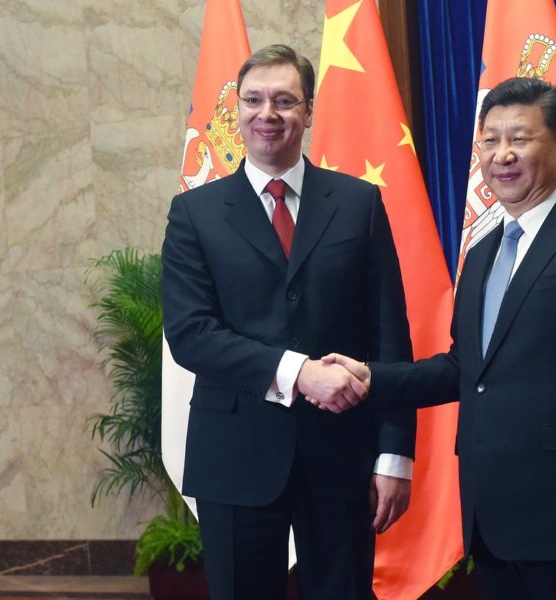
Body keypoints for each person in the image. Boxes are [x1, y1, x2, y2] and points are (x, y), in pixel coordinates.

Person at [320, 77, 556, 599]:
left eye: (520, 139)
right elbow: (467, 369)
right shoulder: (482, 253)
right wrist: (371, 377)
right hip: (494, 520)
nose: (501, 155)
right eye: (490, 140)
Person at [161, 44, 416, 600]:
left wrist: (395, 452)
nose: (267, 114)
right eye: (253, 100)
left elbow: (389, 335)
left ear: (308, 110)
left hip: (343, 453)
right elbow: (191, 334)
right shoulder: (195, 214)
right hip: (236, 454)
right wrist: (299, 372)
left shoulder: (358, 204)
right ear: (236, 112)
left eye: (283, 100)